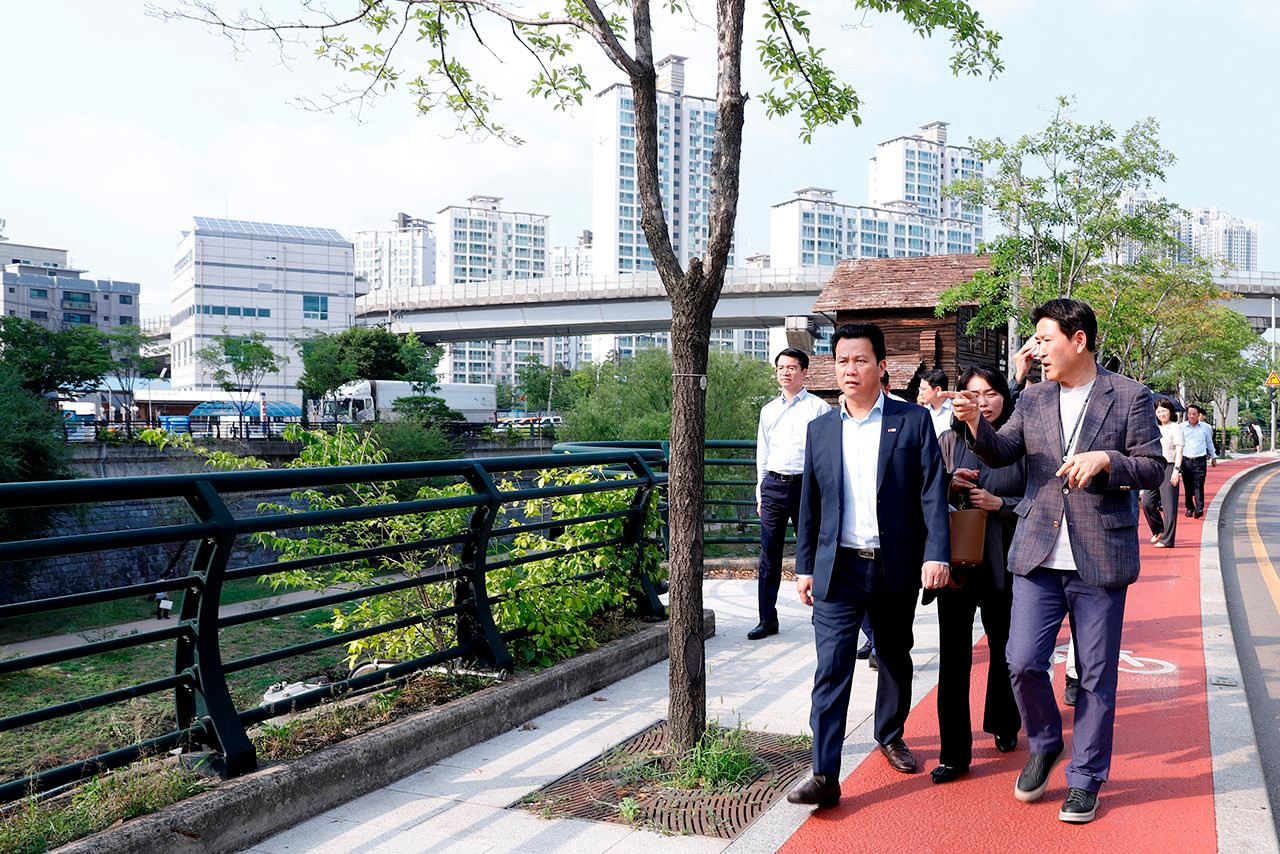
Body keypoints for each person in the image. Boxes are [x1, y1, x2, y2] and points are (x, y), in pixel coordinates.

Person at [947, 298, 1164, 824]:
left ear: (1078, 340)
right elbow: (1001, 454)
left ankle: (1086, 779)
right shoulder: (1036, 398)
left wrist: (1108, 461)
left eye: (1045, 339)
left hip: (1100, 561)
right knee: (1021, 662)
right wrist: (976, 423)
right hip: (1037, 556)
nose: (1036, 349)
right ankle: (1045, 742)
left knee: (1094, 678)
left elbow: (1154, 467)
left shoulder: (1129, 395)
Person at [786, 323, 951, 809]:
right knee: (831, 669)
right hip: (838, 570)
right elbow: (809, 506)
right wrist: (803, 567)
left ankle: (889, 732)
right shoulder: (819, 430)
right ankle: (824, 774)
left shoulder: (913, 421)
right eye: (841, 361)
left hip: (894, 565)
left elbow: (931, 494)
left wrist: (936, 553)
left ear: (882, 366)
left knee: (895, 657)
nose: (850, 369)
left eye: (859, 360)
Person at [929, 366, 1025, 784]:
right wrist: (950, 484)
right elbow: (926, 497)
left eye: (990, 393)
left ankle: (1004, 722)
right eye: (972, 393)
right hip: (957, 565)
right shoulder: (946, 441)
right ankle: (954, 752)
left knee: (1007, 649)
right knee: (953, 657)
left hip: (1006, 562)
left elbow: (1039, 503)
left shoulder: (1019, 444)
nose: (981, 401)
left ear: (1005, 397)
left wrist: (998, 503)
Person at [750, 348, 831, 640]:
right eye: (781, 367)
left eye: (792, 367)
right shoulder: (768, 410)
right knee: (768, 555)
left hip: (806, 487)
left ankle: (821, 613)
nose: (785, 372)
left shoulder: (819, 408)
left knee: (813, 550)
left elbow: (825, 456)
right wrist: (760, 493)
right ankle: (766, 619)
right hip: (773, 486)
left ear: (805, 372)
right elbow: (763, 453)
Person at [1140, 398, 1183, 548]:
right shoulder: (1153, 428)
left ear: (1170, 412)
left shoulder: (1175, 427)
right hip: (1154, 467)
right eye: (1158, 411)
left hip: (1170, 467)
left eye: (1164, 410)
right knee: (1147, 502)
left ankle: (1168, 540)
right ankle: (1158, 530)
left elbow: (1179, 450)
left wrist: (1176, 471)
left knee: (1169, 506)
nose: (1161, 414)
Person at [1180, 404, 1216, 518]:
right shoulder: (1182, 427)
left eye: (1194, 414)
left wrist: (1213, 457)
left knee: (1199, 485)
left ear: (1198, 414)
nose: (1191, 416)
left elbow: (1209, 443)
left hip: (1200, 460)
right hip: (1186, 461)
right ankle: (1189, 508)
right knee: (1188, 486)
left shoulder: (1205, 427)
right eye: (1189, 414)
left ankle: (1199, 508)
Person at [916, 368, 953, 437]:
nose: (920, 393)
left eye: (923, 389)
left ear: (938, 389)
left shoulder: (955, 411)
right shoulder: (923, 411)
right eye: (920, 389)